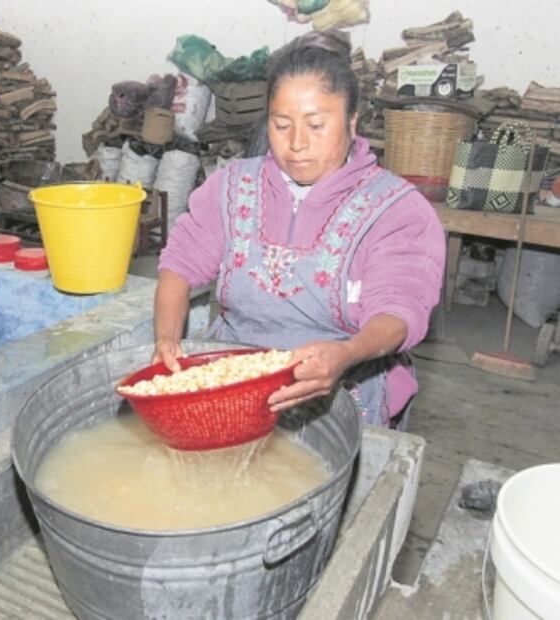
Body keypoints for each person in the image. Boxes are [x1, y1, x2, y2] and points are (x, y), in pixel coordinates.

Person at [153, 31, 446, 428]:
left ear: (352, 120)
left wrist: (346, 354)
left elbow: (399, 309)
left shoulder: (395, 209)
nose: (297, 144)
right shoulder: (232, 185)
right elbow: (181, 264)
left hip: (343, 382)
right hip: (234, 374)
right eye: (282, 124)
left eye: (316, 125)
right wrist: (167, 340)